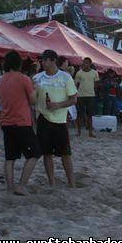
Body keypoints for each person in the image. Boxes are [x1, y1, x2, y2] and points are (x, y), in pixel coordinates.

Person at [0, 51, 39, 195]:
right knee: (34, 154)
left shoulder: (1, 80)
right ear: (19, 63)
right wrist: (34, 89)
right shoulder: (23, 79)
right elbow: (33, 100)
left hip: (6, 121)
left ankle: (10, 187)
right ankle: (21, 185)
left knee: (10, 157)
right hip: (21, 122)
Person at [35, 49, 77, 187]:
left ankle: (71, 182)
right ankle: (51, 181)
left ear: (53, 60)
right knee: (46, 153)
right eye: (42, 60)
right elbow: (31, 98)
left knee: (65, 153)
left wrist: (58, 105)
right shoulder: (37, 78)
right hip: (43, 119)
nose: (42, 62)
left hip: (60, 121)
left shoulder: (65, 77)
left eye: (45, 60)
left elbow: (73, 99)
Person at [74, 57, 99, 138]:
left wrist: (92, 91)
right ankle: (79, 132)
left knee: (90, 115)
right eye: (83, 62)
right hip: (80, 96)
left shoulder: (94, 73)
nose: (84, 64)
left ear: (90, 64)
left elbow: (96, 84)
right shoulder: (79, 73)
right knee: (80, 115)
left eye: (86, 63)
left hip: (91, 96)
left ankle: (90, 132)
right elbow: (76, 85)